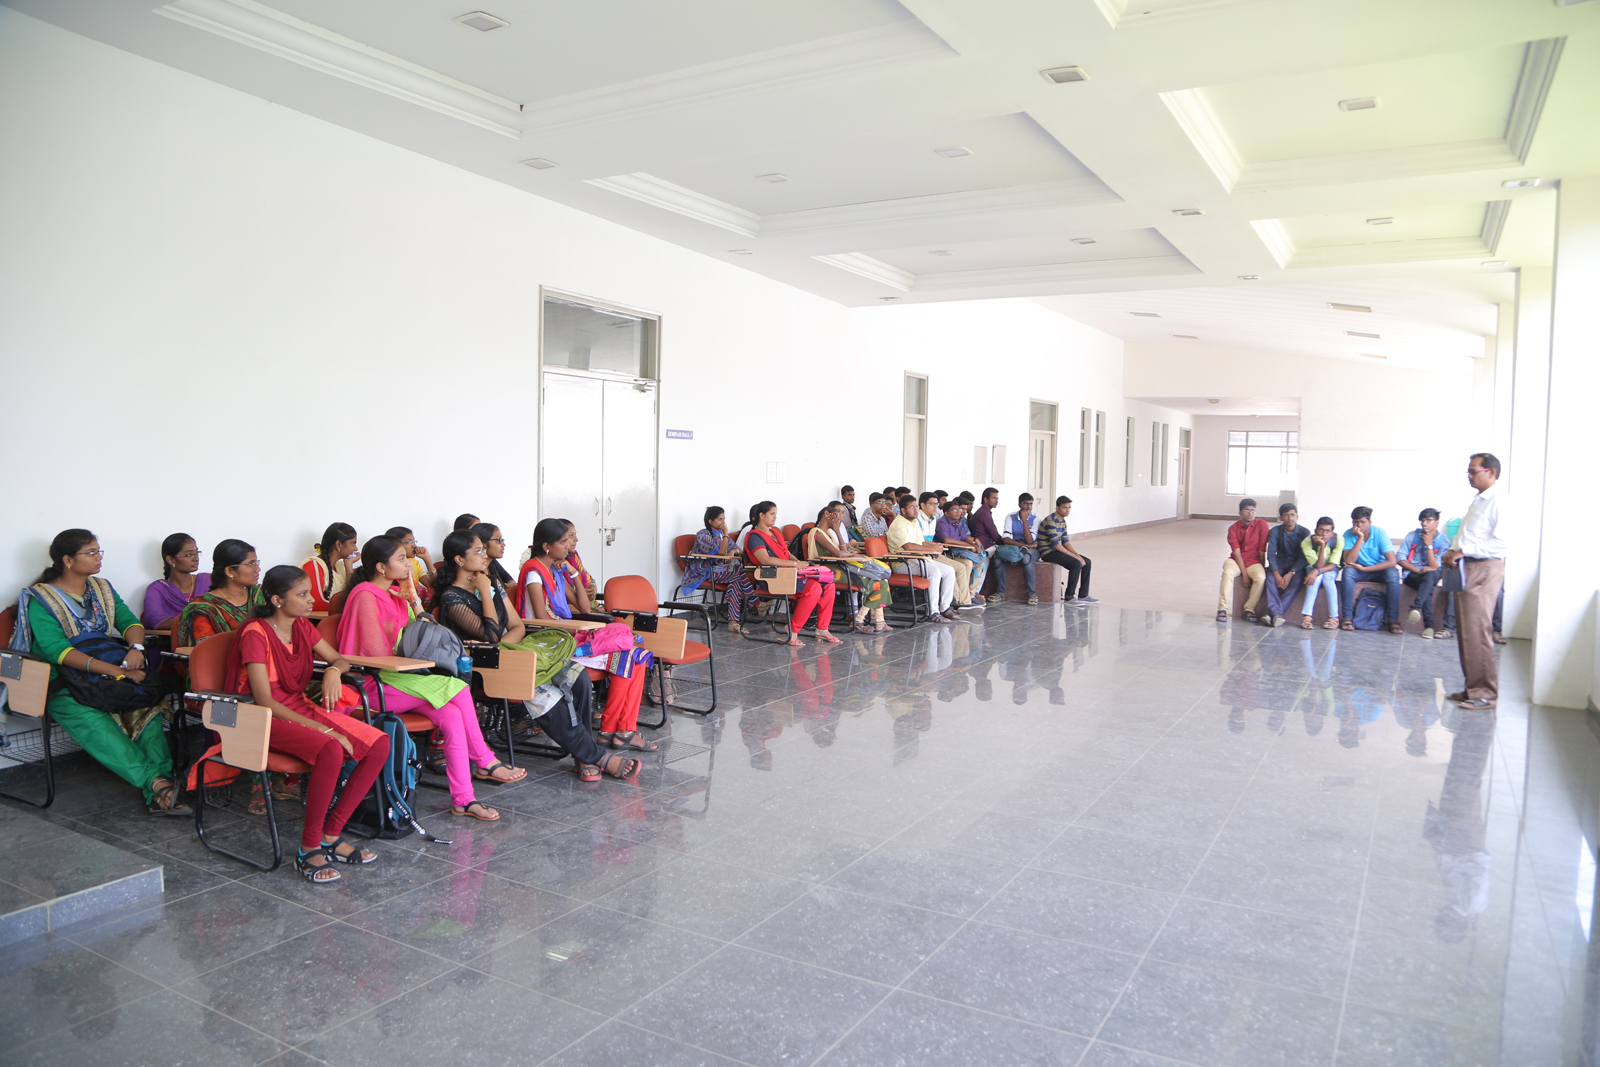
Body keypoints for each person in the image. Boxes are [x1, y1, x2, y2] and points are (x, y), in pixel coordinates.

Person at [227, 565, 391, 883]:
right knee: (331, 748)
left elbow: (339, 659)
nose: (310, 600)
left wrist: (333, 671)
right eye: (302, 594)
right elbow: (264, 701)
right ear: (277, 600)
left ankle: (331, 835)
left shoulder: (301, 625)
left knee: (379, 744)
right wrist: (324, 729)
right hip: (260, 717)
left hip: (298, 707)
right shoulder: (256, 633)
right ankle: (309, 848)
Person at [336, 535, 512, 821]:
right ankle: (484, 760)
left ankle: (464, 799)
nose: (409, 564)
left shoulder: (397, 594)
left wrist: (413, 599)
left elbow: (424, 631)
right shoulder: (365, 595)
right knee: (457, 688)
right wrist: (412, 655)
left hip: (404, 680)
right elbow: (378, 655)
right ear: (381, 567)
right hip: (373, 683)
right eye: (401, 559)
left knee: (452, 716)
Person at [435, 531, 635, 781]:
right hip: (482, 667)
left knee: (579, 678)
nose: (484, 555)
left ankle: (583, 755)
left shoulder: (493, 582)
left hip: (508, 655)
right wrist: (485, 591)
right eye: (478, 551)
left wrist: (504, 648)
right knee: (548, 696)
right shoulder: (452, 597)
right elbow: (490, 635)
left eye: (484, 550)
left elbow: (517, 626)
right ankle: (596, 757)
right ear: (459, 560)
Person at [9, 530, 185, 815]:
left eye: (98, 551)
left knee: (148, 710)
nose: (99, 557)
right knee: (97, 727)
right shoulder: (40, 599)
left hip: (108, 674)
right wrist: (117, 672)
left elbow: (129, 622)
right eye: (91, 553)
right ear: (67, 560)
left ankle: (160, 790)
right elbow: (57, 651)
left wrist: (136, 648)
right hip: (64, 683)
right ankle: (158, 784)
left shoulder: (101, 588)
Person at [521, 518, 658, 748]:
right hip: (553, 642)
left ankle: (622, 729)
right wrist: (577, 629)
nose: (569, 545)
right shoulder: (534, 573)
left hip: (567, 633)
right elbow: (542, 620)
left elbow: (584, 608)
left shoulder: (554, 570)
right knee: (631, 655)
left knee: (637, 656)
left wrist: (573, 573)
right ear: (547, 546)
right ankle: (613, 730)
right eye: (563, 541)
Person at [1441, 453, 1508, 710]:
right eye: (1468, 471)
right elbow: (1468, 535)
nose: (1469, 476)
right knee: (1467, 632)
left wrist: (1463, 551)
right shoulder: (1479, 500)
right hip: (1467, 568)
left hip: (1484, 568)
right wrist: (1453, 550)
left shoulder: (1499, 501)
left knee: (1478, 631)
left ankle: (1486, 694)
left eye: (1473, 471)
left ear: (1491, 472)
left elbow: (1501, 542)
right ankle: (1473, 688)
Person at [744, 502, 839, 644]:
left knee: (828, 585)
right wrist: (795, 565)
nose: (775, 517)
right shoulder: (754, 537)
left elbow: (786, 554)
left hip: (789, 573)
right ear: (761, 515)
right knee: (814, 588)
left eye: (775, 514)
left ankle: (822, 628)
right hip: (772, 576)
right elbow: (765, 560)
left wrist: (801, 564)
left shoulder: (775, 533)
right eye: (772, 514)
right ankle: (793, 630)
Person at [805, 503, 890, 633]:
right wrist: (838, 535)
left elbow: (843, 551)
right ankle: (862, 620)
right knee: (875, 581)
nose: (839, 519)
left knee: (881, 580)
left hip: (840, 567)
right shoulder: (816, 532)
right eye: (836, 516)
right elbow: (839, 553)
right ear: (827, 515)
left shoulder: (828, 533)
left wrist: (837, 531)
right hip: (831, 571)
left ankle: (876, 621)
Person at [175, 539, 264, 646]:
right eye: (250, 564)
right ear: (230, 571)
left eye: (256, 563)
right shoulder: (205, 610)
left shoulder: (261, 595)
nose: (257, 569)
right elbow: (207, 650)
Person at [680, 507, 751, 633]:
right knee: (738, 571)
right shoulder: (703, 535)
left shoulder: (722, 535)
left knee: (735, 581)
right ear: (710, 521)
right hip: (703, 570)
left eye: (724, 519)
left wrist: (733, 551)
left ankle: (733, 623)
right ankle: (754, 602)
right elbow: (721, 553)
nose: (723, 523)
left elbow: (739, 550)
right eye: (720, 519)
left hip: (719, 570)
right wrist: (726, 534)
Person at [888, 495, 957, 620]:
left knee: (949, 571)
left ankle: (945, 607)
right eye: (912, 507)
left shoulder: (914, 522)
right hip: (903, 563)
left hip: (918, 560)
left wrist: (936, 546)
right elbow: (908, 547)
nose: (916, 510)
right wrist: (932, 550)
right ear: (903, 510)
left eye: (916, 507)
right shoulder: (898, 525)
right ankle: (933, 612)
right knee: (934, 572)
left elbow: (921, 542)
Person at [1340, 506, 1402, 634]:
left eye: (1362, 522)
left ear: (1370, 522)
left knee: (1393, 574)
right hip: (1359, 569)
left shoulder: (1379, 533)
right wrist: (1360, 538)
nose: (1359, 525)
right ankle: (1347, 618)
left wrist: (1366, 569)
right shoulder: (1349, 534)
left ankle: (1393, 620)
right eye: (1356, 522)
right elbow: (1349, 560)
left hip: (1379, 569)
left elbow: (1392, 561)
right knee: (1348, 573)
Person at [1398, 509, 1451, 639]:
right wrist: (1418, 570)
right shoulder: (1412, 536)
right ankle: (1428, 626)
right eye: (1422, 520)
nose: (1424, 524)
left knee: (1430, 575)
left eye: (1428, 520)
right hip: (1413, 573)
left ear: (1437, 522)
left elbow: (1435, 566)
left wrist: (1429, 546)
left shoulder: (1444, 541)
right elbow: (1400, 558)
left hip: (1432, 573)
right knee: (1428, 587)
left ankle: (1416, 608)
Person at [141, 533, 211, 630]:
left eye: (196, 553)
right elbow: (156, 621)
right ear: (170, 560)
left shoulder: (208, 581)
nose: (196, 558)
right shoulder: (158, 589)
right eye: (189, 554)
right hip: (171, 639)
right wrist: (195, 621)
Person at [917, 492, 974, 608]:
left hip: (935, 552)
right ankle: (959, 601)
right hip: (925, 554)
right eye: (932, 504)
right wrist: (935, 546)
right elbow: (919, 541)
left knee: (967, 564)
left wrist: (974, 544)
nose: (936, 507)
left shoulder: (933, 519)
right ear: (923, 505)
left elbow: (965, 537)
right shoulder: (918, 519)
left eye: (937, 504)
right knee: (956, 568)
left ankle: (966, 600)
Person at [1038, 496, 1097, 605]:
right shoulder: (1050, 520)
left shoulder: (1063, 521)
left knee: (1087, 562)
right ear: (1057, 508)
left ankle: (1083, 595)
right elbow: (1056, 545)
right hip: (1047, 552)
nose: (1067, 510)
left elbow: (1066, 543)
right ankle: (1069, 597)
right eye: (1064, 507)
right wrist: (1076, 558)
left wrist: (1078, 556)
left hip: (1056, 550)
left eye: (1069, 507)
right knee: (1076, 564)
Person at [1218, 499, 1270, 623]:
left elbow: (1262, 551)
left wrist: (1261, 567)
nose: (1250, 513)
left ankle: (1249, 609)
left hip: (1254, 561)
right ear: (1240, 513)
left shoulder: (1262, 525)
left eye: (1253, 510)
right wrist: (1245, 575)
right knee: (1228, 573)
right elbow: (1237, 553)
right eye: (1247, 510)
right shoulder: (1233, 528)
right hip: (1235, 561)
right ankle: (1222, 609)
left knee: (1261, 578)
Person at [1263, 504, 1309, 627]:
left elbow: (1304, 557)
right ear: (1281, 518)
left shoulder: (1304, 532)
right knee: (1270, 578)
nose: (1290, 518)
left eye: (1292, 515)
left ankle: (1273, 614)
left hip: (1296, 564)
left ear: (1297, 516)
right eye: (1286, 515)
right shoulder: (1275, 531)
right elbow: (1271, 554)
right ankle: (1277, 615)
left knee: (1297, 581)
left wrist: (1292, 572)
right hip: (1279, 562)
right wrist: (1276, 573)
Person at [936, 500, 990, 605]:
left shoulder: (958, 523)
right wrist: (965, 544)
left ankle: (971, 594)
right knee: (966, 564)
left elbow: (965, 537)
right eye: (955, 510)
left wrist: (974, 546)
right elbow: (946, 540)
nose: (958, 512)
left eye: (959, 510)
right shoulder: (942, 523)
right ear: (946, 513)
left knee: (979, 562)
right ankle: (960, 599)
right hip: (947, 554)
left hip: (958, 553)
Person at [301, 522, 357, 612]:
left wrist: (349, 565)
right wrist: (352, 607)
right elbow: (315, 603)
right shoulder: (313, 565)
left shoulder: (340, 566)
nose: (356, 549)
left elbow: (350, 596)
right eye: (353, 543)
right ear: (339, 544)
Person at [998, 493, 1042, 605]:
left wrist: (1024, 521)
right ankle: (1000, 592)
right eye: (1025, 504)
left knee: (1026, 559)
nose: (1028, 507)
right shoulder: (1010, 517)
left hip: (1033, 549)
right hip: (1017, 545)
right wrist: (1023, 546)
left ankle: (1032, 594)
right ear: (1019, 505)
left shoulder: (1036, 518)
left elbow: (1030, 541)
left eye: (1030, 504)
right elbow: (1006, 539)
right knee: (998, 558)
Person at [1300, 517, 1344, 630]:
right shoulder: (1307, 542)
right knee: (1316, 579)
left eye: (1328, 531)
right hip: (1313, 566)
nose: (1324, 534)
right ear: (1315, 531)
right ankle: (1307, 617)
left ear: (1332, 533)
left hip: (1330, 568)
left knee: (1328, 578)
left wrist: (1317, 571)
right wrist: (1322, 546)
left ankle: (1334, 618)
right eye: (1321, 530)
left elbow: (1333, 565)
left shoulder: (1339, 540)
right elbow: (1318, 566)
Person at [386, 526, 436, 608]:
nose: (414, 546)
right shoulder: (392, 568)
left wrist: (427, 559)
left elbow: (431, 585)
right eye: (409, 542)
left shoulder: (413, 562)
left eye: (414, 541)